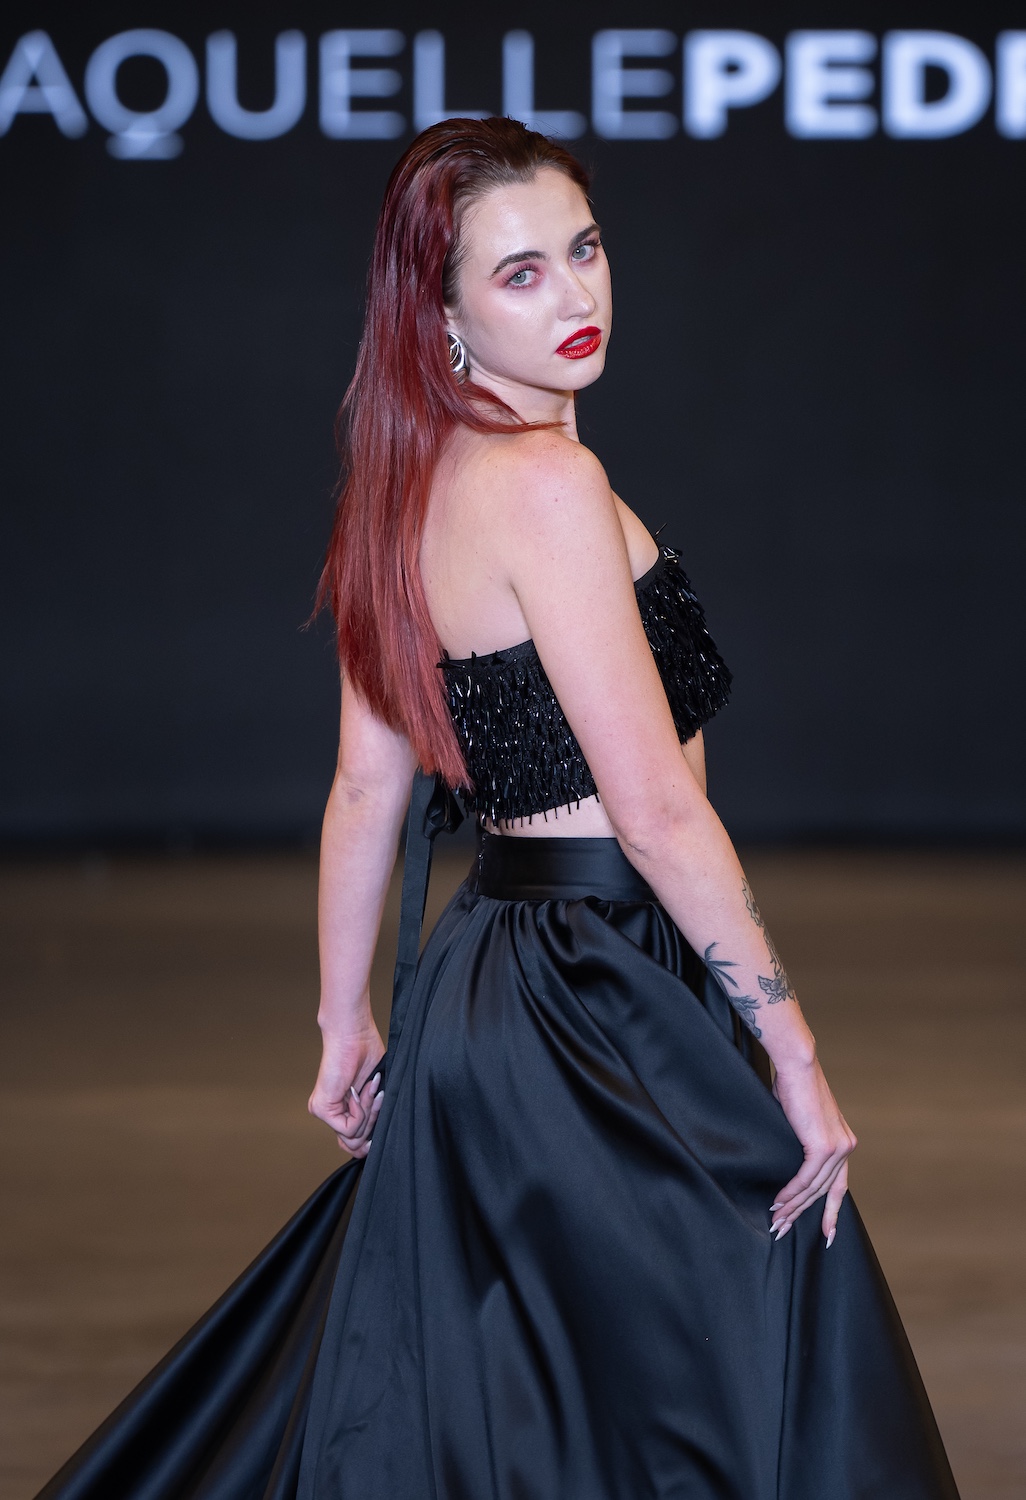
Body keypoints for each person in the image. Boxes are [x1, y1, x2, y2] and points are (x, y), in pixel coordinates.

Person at [37, 117, 959, 1500]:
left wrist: (347, 1020)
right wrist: (794, 1050)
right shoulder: (547, 486)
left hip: (491, 992)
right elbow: (654, 811)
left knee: (537, 1413)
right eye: (520, 273)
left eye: (583, 249)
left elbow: (365, 785)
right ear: (444, 311)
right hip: (603, 993)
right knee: (727, 1378)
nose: (576, 294)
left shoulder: (402, 489)